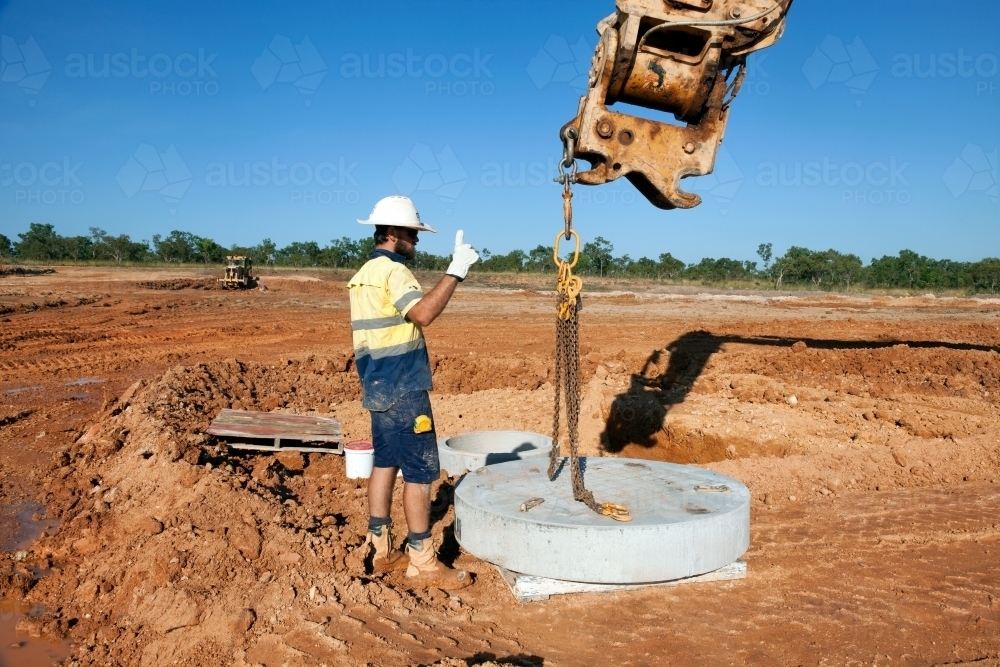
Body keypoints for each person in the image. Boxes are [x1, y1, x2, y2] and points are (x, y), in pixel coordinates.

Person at [347, 195, 479, 590]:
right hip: (404, 387)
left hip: (376, 384)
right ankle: (422, 559)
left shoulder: (363, 273)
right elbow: (422, 313)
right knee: (420, 474)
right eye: (412, 234)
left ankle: (380, 545)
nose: (416, 242)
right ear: (392, 233)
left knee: (385, 463)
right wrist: (455, 272)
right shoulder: (394, 272)